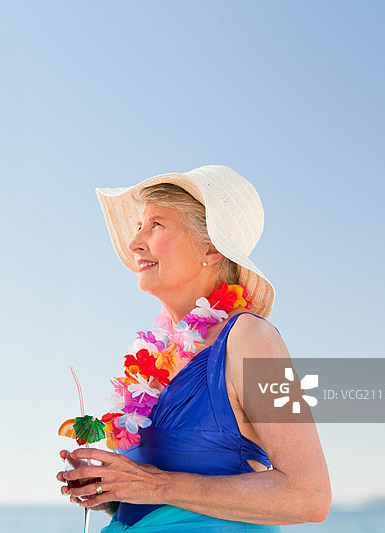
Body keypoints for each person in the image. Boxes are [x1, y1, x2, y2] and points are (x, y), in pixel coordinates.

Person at [56, 165, 331, 531]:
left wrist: (155, 485)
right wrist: (113, 489)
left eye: (156, 225)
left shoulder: (253, 340)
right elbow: (158, 504)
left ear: (213, 247)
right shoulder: (157, 357)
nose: (134, 242)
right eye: (138, 226)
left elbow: (309, 498)